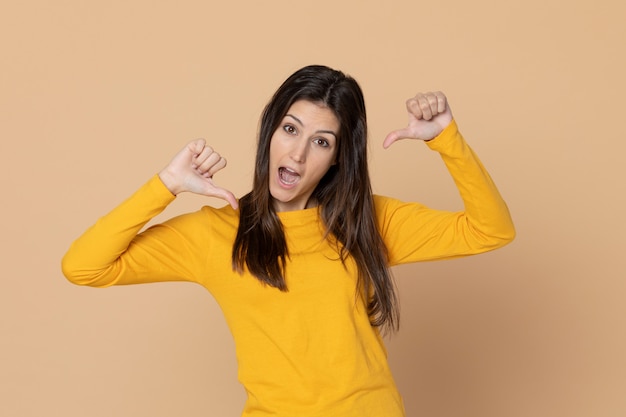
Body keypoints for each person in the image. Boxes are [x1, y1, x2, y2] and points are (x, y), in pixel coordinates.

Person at [62, 64, 515, 417]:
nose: (298, 153)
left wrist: (448, 141)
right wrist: (166, 184)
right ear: (271, 132)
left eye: (322, 142)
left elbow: (491, 230)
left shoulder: (365, 222)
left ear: (338, 159)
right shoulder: (216, 234)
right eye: (291, 129)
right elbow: (83, 267)